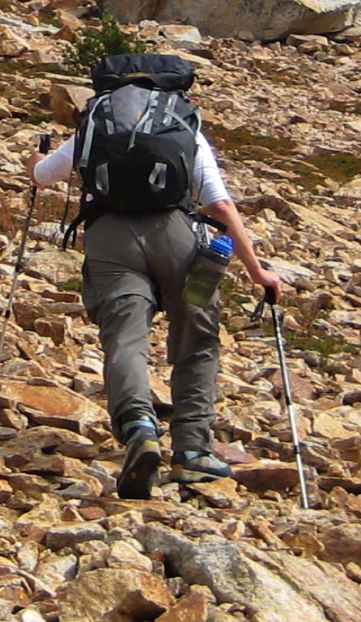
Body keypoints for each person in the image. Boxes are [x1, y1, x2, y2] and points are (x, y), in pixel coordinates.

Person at [28, 72, 281, 500]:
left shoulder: (96, 123)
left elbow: (44, 177)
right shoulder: (181, 123)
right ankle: (192, 450)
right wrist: (258, 271)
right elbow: (217, 203)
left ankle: (139, 428)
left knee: (125, 339)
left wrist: (30, 161)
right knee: (197, 341)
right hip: (176, 237)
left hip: (109, 237)